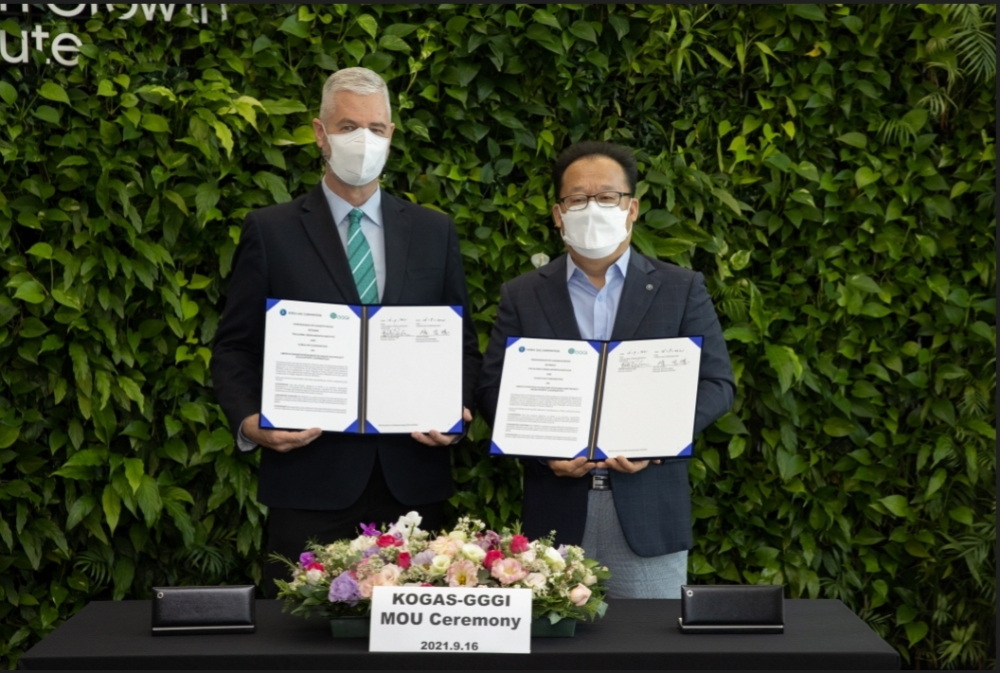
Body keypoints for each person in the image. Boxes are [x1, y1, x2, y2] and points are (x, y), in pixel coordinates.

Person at [211, 67, 482, 595]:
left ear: (391, 135)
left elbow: (461, 345)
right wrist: (249, 422)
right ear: (319, 133)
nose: (364, 140)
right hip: (307, 482)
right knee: (301, 641)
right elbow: (235, 345)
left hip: (413, 483)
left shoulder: (433, 232)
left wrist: (458, 412)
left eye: (376, 128)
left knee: (413, 642)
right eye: (348, 126)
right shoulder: (270, 230)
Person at [475, 141, 735, 599]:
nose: (592, 208)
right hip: (555, 513)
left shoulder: (680, 288)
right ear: (558, 214)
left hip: (648, 511)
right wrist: (541, 451)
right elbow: (494, 388)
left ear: (631, 208)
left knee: (648, 651)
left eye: (607, 197)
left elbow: (716, 384)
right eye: (577, 198)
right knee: (553, 649)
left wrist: (657, 440)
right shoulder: (523, 294)